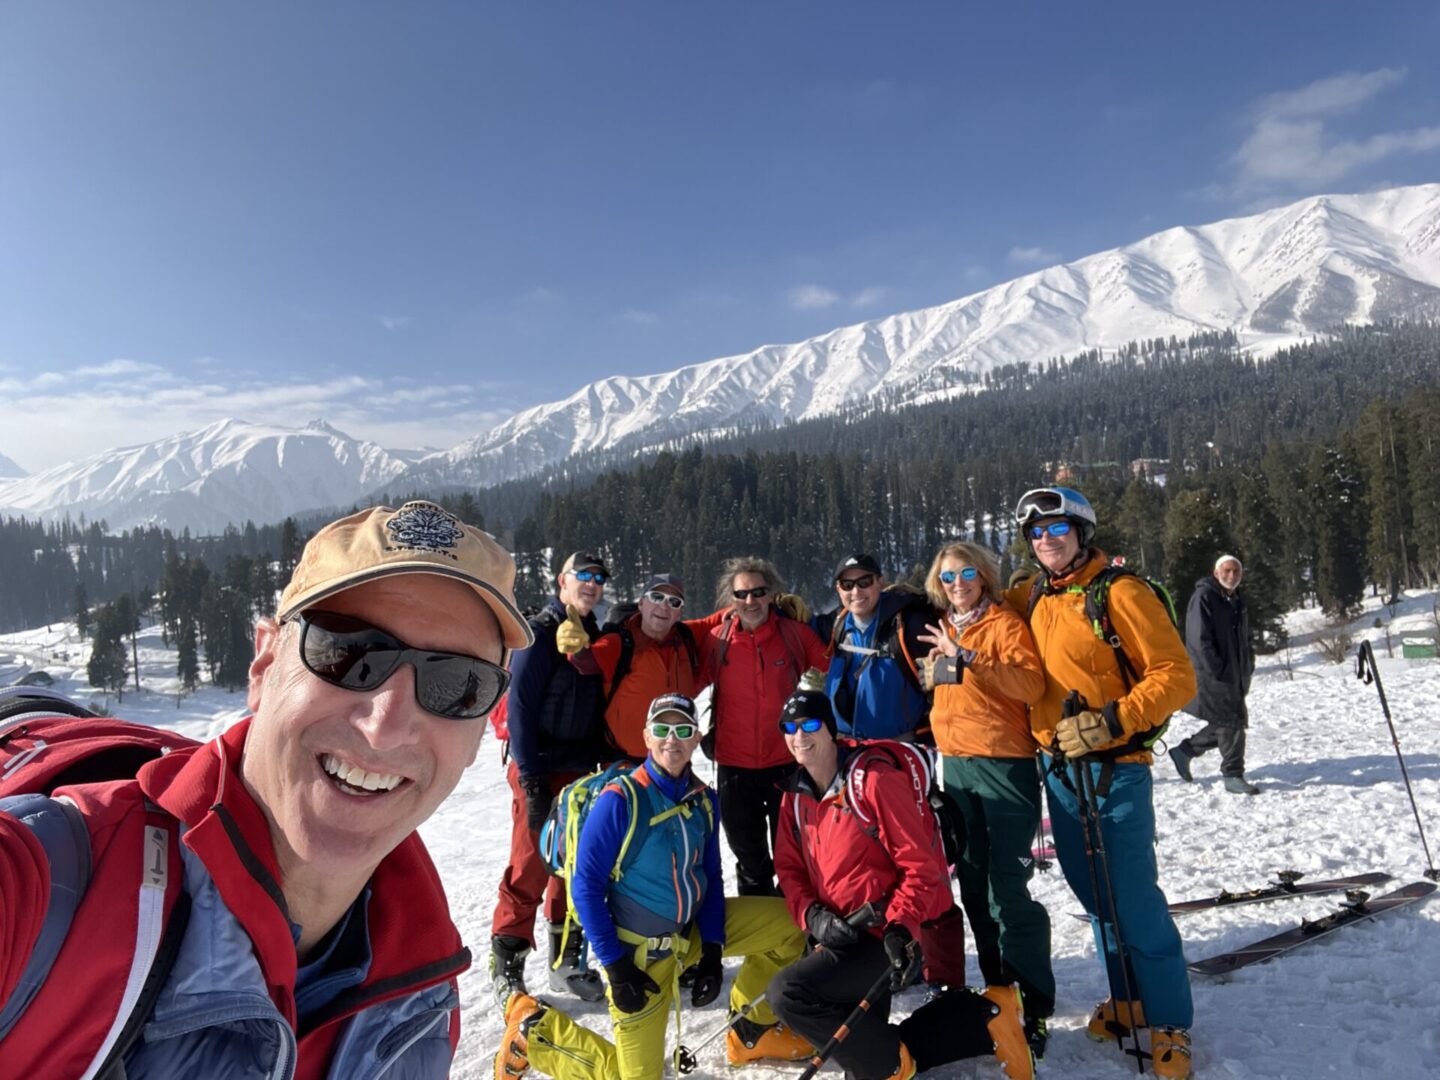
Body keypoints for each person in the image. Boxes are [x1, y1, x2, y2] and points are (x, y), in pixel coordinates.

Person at [0, 499, 529, 1078]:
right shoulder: (48, 885)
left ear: (483, 726)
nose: (386, 724)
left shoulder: (421, 1005)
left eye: (459, 683)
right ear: (265, 663)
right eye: (348, 652)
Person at [494, 693, 809, 1080]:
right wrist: (616, 966)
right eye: (661, 729)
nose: (671, 739)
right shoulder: (621, 801)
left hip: (689, 932)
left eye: (683, 730)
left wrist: (712, 948)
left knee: (790, 927)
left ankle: (751, 1029)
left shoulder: (704, 800)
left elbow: (710, 875)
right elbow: (586, 889)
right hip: (639, 957)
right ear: (646, 737)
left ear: (697, 739)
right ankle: (535, 1032)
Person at [1005, 487, 1197, 1080]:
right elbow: (968, 602)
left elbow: (1176, 676)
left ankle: (1169, 1021)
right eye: (1037, 533)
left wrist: (1113, 720)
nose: (1047, 540)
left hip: (1116, 769)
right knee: (1094, 894)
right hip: (1060, 770)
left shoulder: (1120, 592)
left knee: (1134, 897)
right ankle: (1128, 997)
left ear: (1081, 532)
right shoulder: (1031, 594)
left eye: (1058, 529)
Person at [768, 684, 1033, 1080]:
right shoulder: (795, 797)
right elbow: (789, 870)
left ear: (830, 729)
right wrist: (811, 915)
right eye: (789, 727)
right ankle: (986, 1019)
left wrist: (900, 927)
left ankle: (899, 1060)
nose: (799, 736)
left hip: (886, 937)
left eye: (809, 724)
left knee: (789, 993)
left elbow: (921, 867)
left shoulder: (872, 781)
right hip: (839, 935)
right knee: (865, 1053)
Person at [916, 541, 1054, 1058]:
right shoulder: (946, 627)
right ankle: (1000, 992)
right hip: (960, 769)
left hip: (1005, 766)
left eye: (967, 573)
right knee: (972, 884)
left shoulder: (1002, 625)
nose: (958, 583)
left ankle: (1033, 1003)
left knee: (1008, 890)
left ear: (984, 576)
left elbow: (1030, 684)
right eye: (948, 577)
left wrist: (968, 658)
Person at [492, 551, 612, 1004]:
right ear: (562, 580)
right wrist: (532, 779)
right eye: (583, 576)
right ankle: (506, 963)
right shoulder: (540, 633)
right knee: (530, 866)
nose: (591, 584)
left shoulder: (592, 634)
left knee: (573, 868)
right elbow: (520, 708)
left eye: (598, 578)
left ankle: (565, 963)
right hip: (539, 766)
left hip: (580, 770)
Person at [700, 556, 829, 896]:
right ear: (731, 599)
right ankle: (763, 938)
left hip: (786, 763)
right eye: (741, 594)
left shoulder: (794, 635)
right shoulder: (718, 640)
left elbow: (836, 670)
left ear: (772, 595)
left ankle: (799, 934)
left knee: (795, 856)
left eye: (758, 592)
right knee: (749, 860)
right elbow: (682, 679)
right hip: (734, 766)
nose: (750, 601)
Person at [565, 574, 710, 760]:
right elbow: (586, 661)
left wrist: (747, 596)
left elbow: (722, 617)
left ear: (679, 612)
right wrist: (575, 646)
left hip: (674, 764)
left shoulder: (686, 637)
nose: (664, 607)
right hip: (624, 765)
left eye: (674, 602)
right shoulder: (620, 643)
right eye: (656, 597)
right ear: (641, 604)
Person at [821, 553, 935, 741]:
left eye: (864, 582)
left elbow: (944, 687)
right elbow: (798, 630)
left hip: (899, 750)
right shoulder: (838, 625)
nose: (856, 592)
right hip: (846, 749)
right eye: (847, 585)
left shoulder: (908, 625)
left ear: (880, 582)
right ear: (838, 590)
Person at [1171, 555, 1258, 795]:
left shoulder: (1236, 599)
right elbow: (1199, 639)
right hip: (1214, 675)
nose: (1232, 576)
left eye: (1236, 572)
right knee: (1233, 722)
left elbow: (1245, 636)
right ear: (1216, 572)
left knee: (1227, 722)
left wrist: (1248, 662)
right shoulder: (1204, 597)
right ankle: (1232, 774)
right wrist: (1217, 669)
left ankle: (1185, 751)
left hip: (1235, 672)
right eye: (1228, 571)